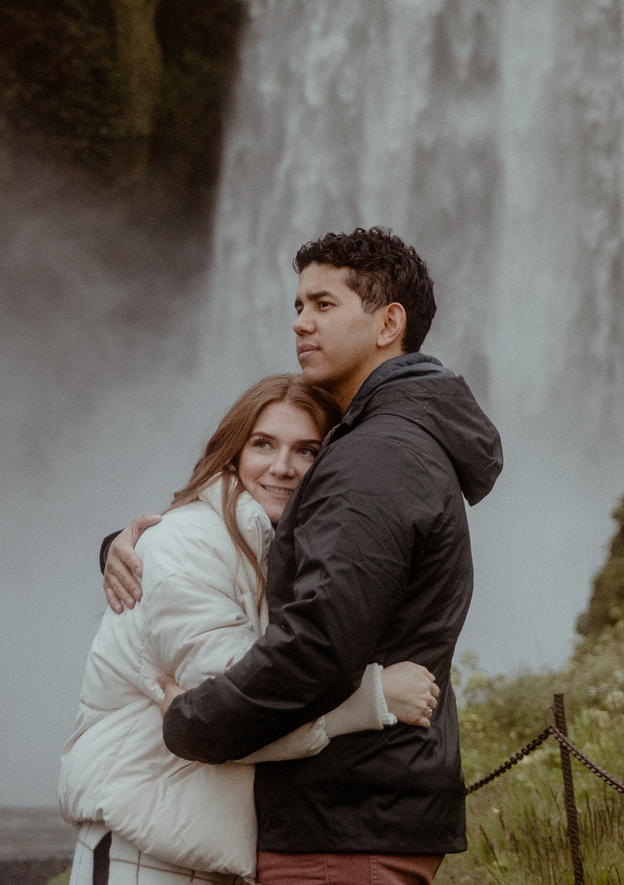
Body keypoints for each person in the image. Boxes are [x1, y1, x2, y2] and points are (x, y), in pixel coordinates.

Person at [102, 229, 502, 885]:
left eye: (322, 303)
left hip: (340, 826)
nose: (300, 323)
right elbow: (279, 563)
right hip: (362, 815)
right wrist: (137, 544)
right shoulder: (397, 444)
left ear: (388, 322)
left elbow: (318, 644)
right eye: (297, 306)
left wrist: (192, 721)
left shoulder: (374, 457)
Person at [59, 374, 443, 885]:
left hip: (197, 842)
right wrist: (373, 699)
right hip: (143, 846)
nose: (282, 467)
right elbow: (240, 709)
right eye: (263, 444)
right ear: (233, 453)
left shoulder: (282, 552)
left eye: (307, 451)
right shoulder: (187, 543)